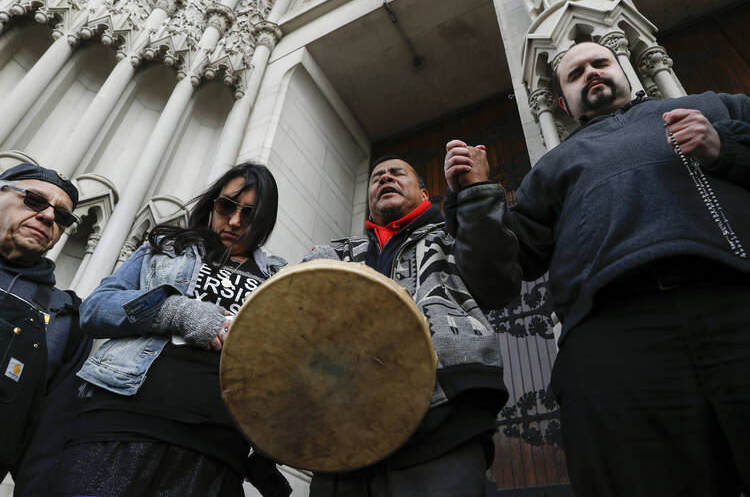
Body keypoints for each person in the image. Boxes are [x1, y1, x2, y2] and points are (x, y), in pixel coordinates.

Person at [444, 41, 750, 497]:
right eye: (576, 73)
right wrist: (475, 197)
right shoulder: (551, 168)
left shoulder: (714, 107)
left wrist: (725, 148)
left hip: (735, 301)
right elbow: (496, 280)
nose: (591, 72)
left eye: (599, 63)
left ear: (625, 68)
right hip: (613, 341)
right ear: (563, 103)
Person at [53, 162, 292, 497]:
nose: (236, 221)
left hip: (216, 450)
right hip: (121, 422)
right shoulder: (167, 246)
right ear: (212, 204)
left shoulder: (280, 280)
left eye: (251, 214)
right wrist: (176, 311)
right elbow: (95, 309)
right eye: (227, 207)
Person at [304, 155, 521, 497]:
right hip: (345, 436)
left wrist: (477, 193)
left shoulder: (453, 235)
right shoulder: (340, 252)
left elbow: (497, 283)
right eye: (377, 177)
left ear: (424, 194)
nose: (385, 178)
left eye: (396, 173)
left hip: (442, 421)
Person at [0, 162, 92, 496]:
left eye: (63, 216)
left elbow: (47, 443)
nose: (49, 217)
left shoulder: (65, 318)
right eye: (35, 201)